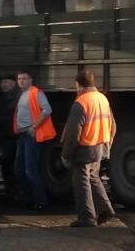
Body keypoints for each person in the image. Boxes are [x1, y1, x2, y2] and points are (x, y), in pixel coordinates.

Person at [60, 70, 117, 227]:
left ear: (78, 85)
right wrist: (107, 145)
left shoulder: (81, 102)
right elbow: (113, 125)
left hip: (85, 147)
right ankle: (105, 209)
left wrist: (66, 155)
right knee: (93, 177)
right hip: (100, 144)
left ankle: (87, 217)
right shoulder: (102, 98)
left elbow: (73, 134)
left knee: (81, 182)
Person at [13, 69, 55, 209]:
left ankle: (40, 200)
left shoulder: (36, 92)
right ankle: (29, 198)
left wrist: (34, 126)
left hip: (31, 135)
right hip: (23, 135)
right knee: (19, 169)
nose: (21, 81)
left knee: (30, 169)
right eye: (19, 79)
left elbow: (47, 109)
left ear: (30, 80)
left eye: (24, 78)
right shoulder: (23, 94)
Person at [0, 74, 20, 202]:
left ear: (14, 83)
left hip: (11, 136)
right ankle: (11, 191)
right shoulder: (5, 97)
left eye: (6, 82)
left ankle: (14, 191)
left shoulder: (14, 98)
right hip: (7, 136)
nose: (3, 84)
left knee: (10, 165)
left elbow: (6, 118)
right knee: (7, 165)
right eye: (2, 82)